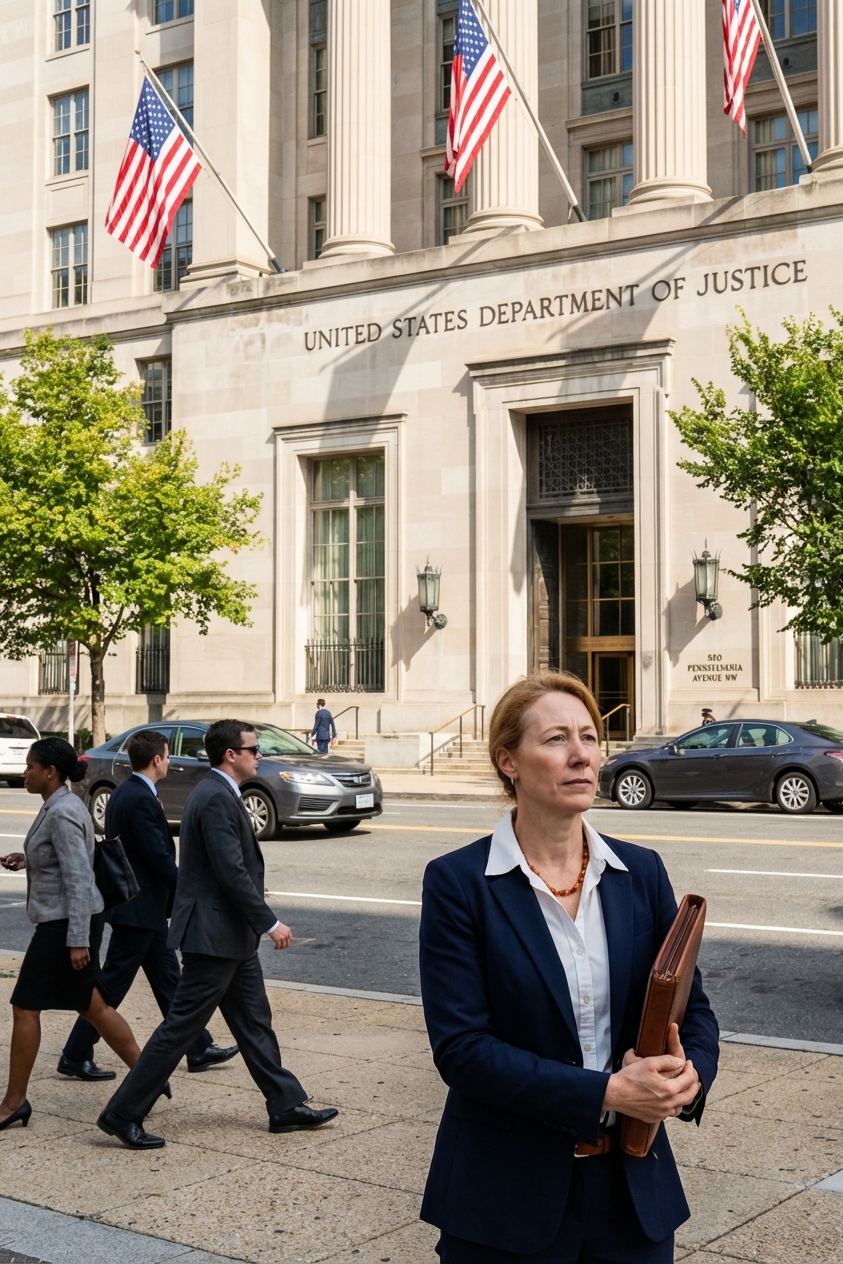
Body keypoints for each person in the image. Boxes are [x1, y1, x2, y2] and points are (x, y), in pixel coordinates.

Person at [419, 672, 719, 1264]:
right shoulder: (458, 883)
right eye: (556, 738)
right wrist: (608, 1090)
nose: (582, 754)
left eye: (589, 735)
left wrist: (690, 1077)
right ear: (509, 760)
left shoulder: (641, 872)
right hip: (508, 1196)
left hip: (633, 1191)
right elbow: (461, 1048)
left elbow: (695, 1008)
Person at [97, 719, 339, 1150]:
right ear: (231, 754)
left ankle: (285, 1104)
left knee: (253, 1021)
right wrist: (268, 921)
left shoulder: (219, 792)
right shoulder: (213, 797)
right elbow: (231, 871)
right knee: (180, 1029)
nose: (259, 754)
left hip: (229, 936)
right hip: (214, 935)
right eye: (253, 748)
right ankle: (122, 1112)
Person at [59, 729, 239, 1082]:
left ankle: (197, 1045)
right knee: (113, 983)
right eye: (169, 756)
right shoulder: (139, 797)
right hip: (138, 908)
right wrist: (191, 890)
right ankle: (75, 1052)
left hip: (144, 907)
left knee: (169, 979)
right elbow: (157, 855)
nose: (170, 762)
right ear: (157, 759)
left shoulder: (130, 790)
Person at [0, 738, 143, 1131]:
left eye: (30, 767)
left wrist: (78, 939)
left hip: (66, 923)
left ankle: (14, 1103)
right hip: (70, 920)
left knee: (26, 1005)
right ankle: (150, 1077)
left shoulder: (61, 811)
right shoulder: (62, 804)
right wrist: (26, 859)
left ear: (51, 772)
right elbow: (65, 859)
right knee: (93, 1006)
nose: (25, 772)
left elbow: (79, 878)